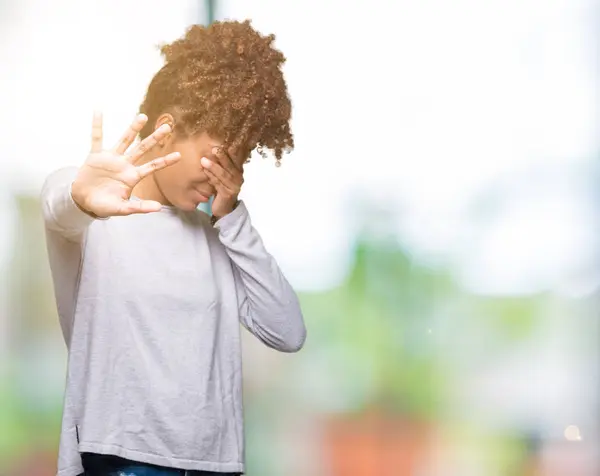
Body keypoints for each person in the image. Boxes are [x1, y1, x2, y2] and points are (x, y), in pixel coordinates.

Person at [41, 20, 306, 476]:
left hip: (213, 465)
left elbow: (288, 331)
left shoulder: (218, 239)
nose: (223, 173)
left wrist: (232, 216)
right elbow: (58, 205)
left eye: (237, 162)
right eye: (217, 154)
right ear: (166, 131)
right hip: (118, 458)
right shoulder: (94, 212)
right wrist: (81, 196)